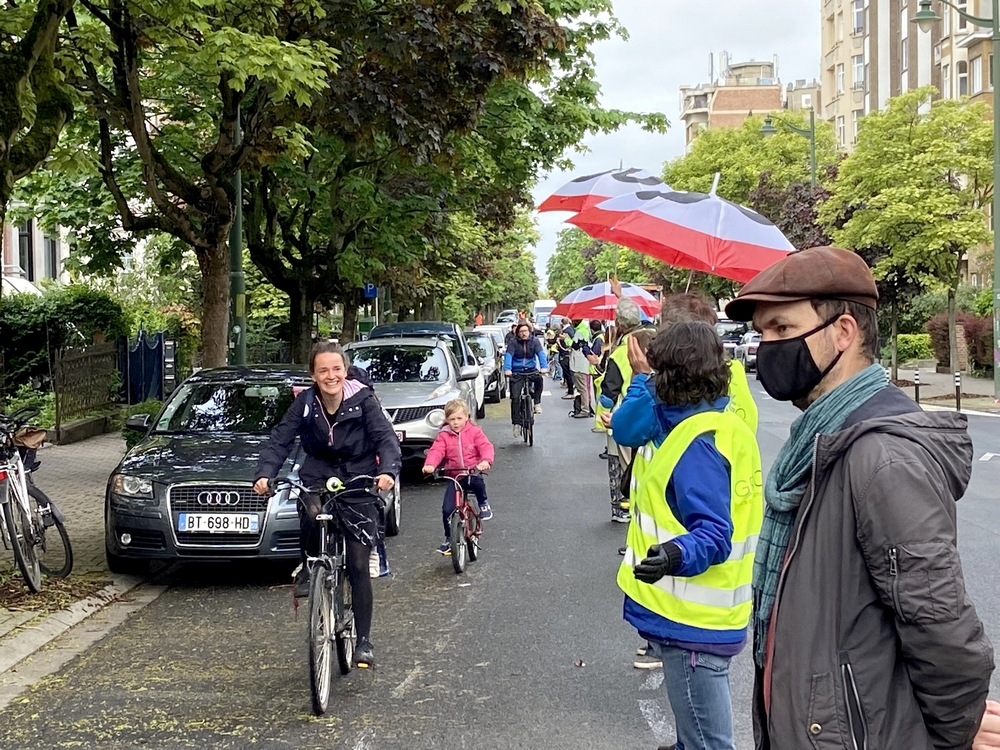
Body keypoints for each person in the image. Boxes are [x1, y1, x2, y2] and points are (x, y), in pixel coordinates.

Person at [723, 246, 993, 749]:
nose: (765, 347)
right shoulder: (821, 441)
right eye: (762, 333)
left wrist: (949, 737)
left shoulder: (882, 458)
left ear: (843, 333)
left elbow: (943, 633)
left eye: (781, 329)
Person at [617, 321, 762, 750]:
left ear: (671, 376)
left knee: (708, 743)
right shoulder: (720, 422)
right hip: (714, 617)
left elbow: (714, 533)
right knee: (697, 737)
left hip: (691, 624)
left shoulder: (695, 442)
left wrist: (674, 554)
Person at [254, 342, 400, 669]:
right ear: (313, 375)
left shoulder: (364, 401)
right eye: (323, 370)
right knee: (309, 507)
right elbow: (280, 440)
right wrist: (265, 473)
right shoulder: (305, 403)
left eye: (336, 369)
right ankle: (311, 566)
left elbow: (386, 439)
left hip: (359, 473)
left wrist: (387, 471)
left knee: (359, 564)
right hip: (318, 470)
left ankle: (363, 640)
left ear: (344, 371)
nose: (330, 376)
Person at [595, 298, 656, 523]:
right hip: (657, 412)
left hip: (624, 415)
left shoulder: (622, 351)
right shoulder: (657, 338)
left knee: (619, 464)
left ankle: (621, 508)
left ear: (619, 324)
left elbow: (607, 396)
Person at [422, 399, 496, 553]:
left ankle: (483, 503)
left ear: (467, 417)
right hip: (455, 476)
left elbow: (485, 446)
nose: (455, 423)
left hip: (472, 471)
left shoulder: (475, 432)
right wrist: (430, 465)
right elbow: (437, 451)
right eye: (451, 419)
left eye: (459, 418)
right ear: (446, 420)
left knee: (478, 483)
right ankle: (449, 538)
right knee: (447, 509)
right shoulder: (444, 435)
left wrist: (485, 461)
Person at [503, 321, 549, 437]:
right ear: (517, 333)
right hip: (517, 371)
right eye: (521, 331)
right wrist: (508, 369)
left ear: (529, 331)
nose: (524, 334)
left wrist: (544, 367)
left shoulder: (534, 341)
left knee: (539, 380)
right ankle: (516, 424)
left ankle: (537, 402)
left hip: (530, 369)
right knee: (515, 398)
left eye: (526, 331)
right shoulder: (513, 342)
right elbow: (508, 356)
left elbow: (541, 354)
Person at [568, 318, 593, 418]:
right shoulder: (585, 329)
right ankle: (586, 408)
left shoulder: (580, 331)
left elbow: (575, 346)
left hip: (579, 365)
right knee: (584, 388)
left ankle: (585, 409)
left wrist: (566, 339)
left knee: (582, 389)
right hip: (582, 363)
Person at [558, 317, 575, 398]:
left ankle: (571, 391)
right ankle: (570, 389)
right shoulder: (569, 329)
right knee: (567, 373)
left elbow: (569, 343)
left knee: (568, 373)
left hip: (565, 354)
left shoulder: (567, 331)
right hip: (565, 353)